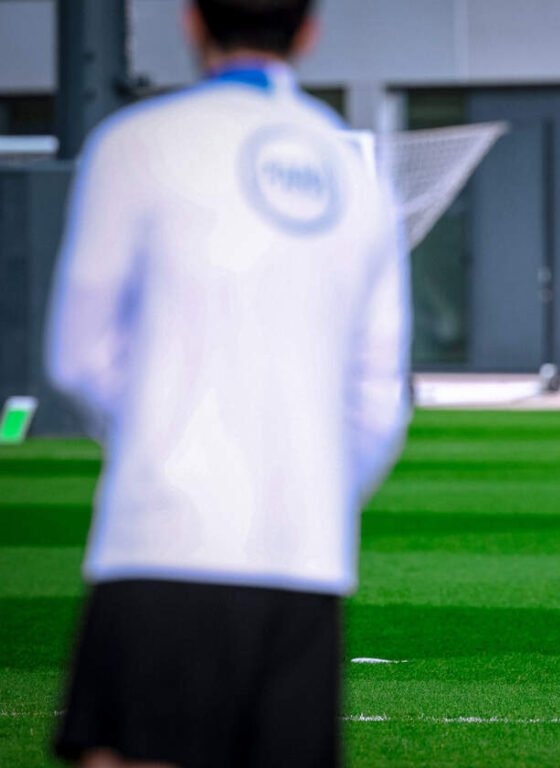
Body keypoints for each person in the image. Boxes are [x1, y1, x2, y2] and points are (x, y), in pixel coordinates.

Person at [45, 1, 412, 765]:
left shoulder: (136, 144)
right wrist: (308, 489)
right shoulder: (354, 172)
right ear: (309, 31)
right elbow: (380, 397)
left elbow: (78, 354)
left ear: (190, 21)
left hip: (163, 542)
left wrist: (163, 441)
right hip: (306, 558)